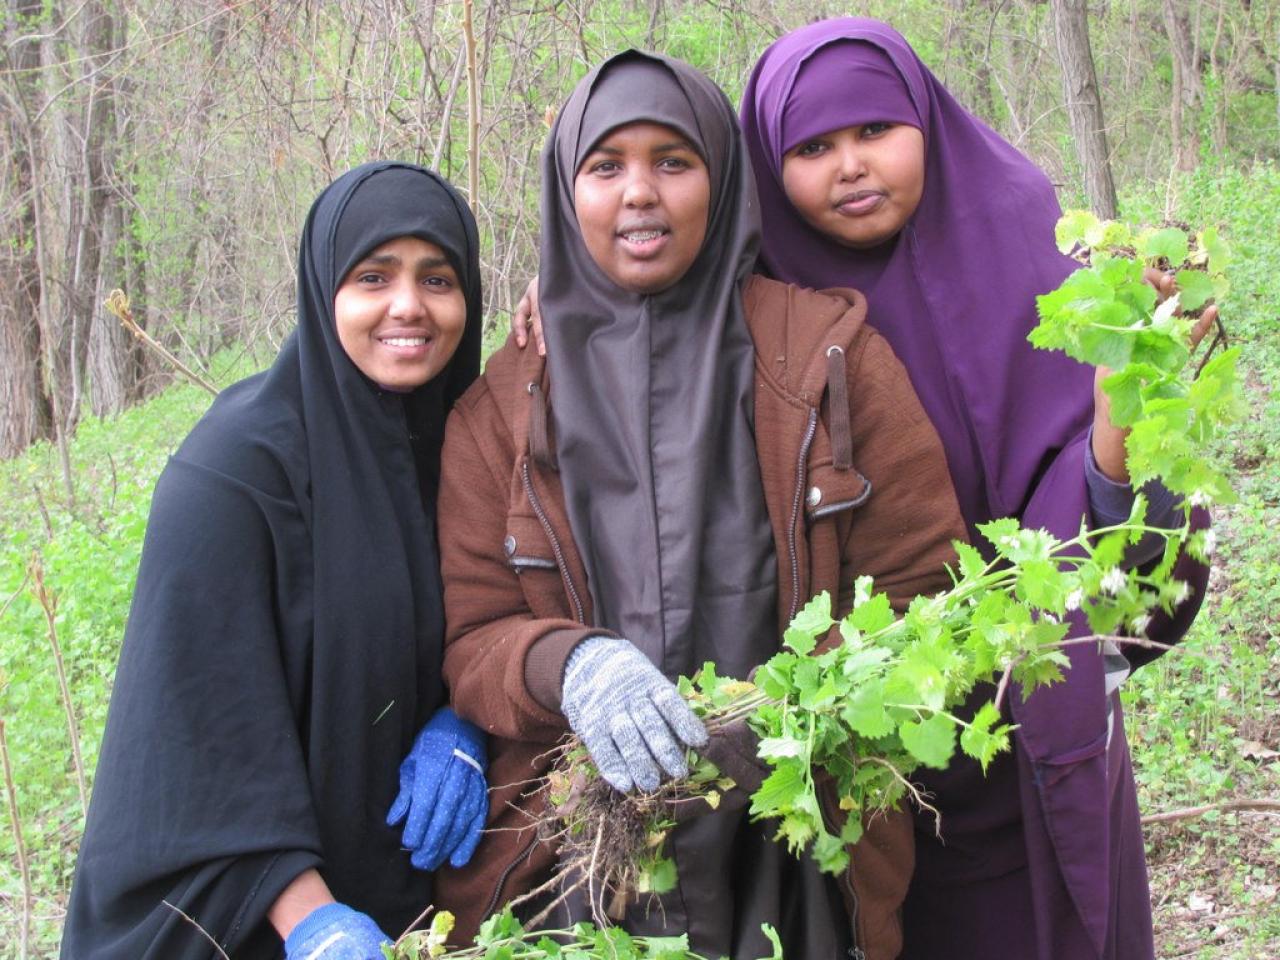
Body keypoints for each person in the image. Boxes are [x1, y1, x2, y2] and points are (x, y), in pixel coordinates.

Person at [432, 51, 967, 960]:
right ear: (569, 193)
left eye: (672, 162)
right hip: (578, 866)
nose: (639, 193)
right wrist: (571, 666)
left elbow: (934, 596)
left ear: (721, 184)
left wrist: (790, 709)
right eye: (606, 168)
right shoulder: (503, 407)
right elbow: (473, 637)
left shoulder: (828, 361)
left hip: (801, 853)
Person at [735, 19, 1213, 960]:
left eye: (875, 130)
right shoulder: (754, 305)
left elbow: (1133, 553)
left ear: (927, 122)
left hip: (1038, 729)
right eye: (813, 147)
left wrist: (1122, 435)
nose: (851, 166)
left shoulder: (1031, 255)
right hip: (866, 769)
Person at [62, 162, 489, 960]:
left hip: (410, 906)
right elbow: (203, 747)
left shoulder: (466, 450)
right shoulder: (233, 475)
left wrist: (467, 711)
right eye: (373, 276)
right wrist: (311, 921)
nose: (409, 306)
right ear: (324, 290)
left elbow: (494, 605)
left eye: (438, 278)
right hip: (252, 923)